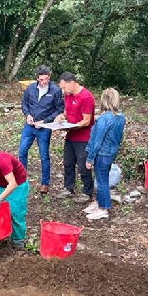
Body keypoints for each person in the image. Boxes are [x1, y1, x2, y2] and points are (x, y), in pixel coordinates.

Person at [18, 65, 64, 194]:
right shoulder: (31, 88)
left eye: (46, 79)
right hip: (29, 125)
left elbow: (59, 109)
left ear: (49, 77)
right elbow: (24, 103)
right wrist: (27, 115)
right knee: (22, 151)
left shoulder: (55, 90)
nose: (44, 82)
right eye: (41, 79)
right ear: (37, 78)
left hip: (44, 127)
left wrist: (45, 121)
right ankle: (22, 179)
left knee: (44, 155)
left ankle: (45, 183)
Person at [83, 88, 125, 220]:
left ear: (104, 100)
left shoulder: (104, 119)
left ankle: (104, 208)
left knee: (101, 182)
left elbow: (97, 141)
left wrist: (90, 158)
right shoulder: (120, 117)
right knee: (103, 179)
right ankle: (99, 203)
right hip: (111, 153)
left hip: (102, 154)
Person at [54, 72, 95, 203]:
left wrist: (72, 126)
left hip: (83, 137)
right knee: (68, 163)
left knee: (83, 165)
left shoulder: (86, 97)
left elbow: (87, 120)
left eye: (64, 87)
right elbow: (68, 111)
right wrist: (61, 117)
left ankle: (87, 192)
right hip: (71, 136)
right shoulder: (67, 95)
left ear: (72, 83)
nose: (63, 90)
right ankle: (68, 188)